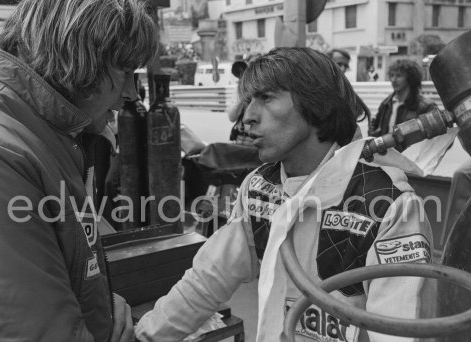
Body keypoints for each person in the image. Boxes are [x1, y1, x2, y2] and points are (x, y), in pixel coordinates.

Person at [135, 48, 435, 342]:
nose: (247, 117)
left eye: (266, 98)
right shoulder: (258, 187)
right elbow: (206, 281)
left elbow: (400, 332)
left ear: (315, 103)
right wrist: (143, 336)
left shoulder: (390, 205)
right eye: (249, 100)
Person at [0, 0, 158, 341]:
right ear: (79, 58)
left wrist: (102, 308)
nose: (131, 93)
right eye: (125, 71)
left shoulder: (37, 132)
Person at [369, 59, 437, 138]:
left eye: (398, 76)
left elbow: (438, 139)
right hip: (386, 150)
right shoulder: (386, 104)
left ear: (410, 78)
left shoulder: (426, 106)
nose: (393, 80)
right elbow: (374, 130)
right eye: (392, 75)